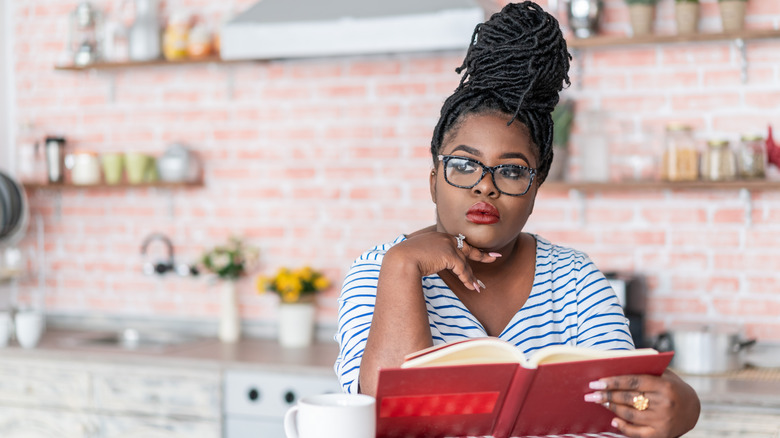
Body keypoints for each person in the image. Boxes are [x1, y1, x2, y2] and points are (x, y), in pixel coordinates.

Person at [334, 2, 700, 437]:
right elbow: (379, 417)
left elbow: (621, 406)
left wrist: (682, 407)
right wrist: (402, 268)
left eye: (510, 171)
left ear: (536, 187)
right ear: (434, 181)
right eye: (464, 166)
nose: (484, 186)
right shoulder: (377, 270)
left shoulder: (575, 279)